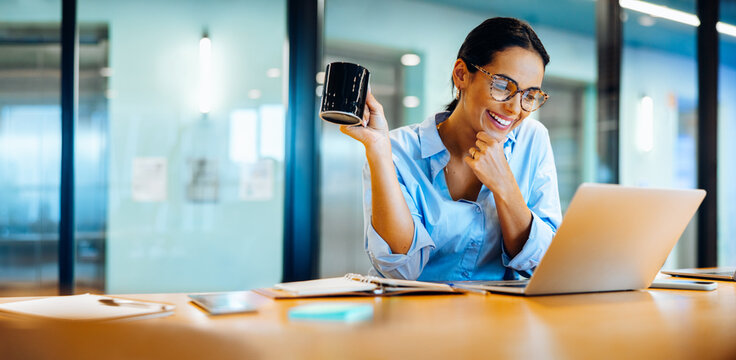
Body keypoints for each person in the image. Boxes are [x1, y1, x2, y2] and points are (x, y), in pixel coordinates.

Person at [340, 17, 562, 281]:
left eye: (529, 95)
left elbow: (544, 263)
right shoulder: (397, 150)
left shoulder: (532, 140)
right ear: (461, 75)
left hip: (503, 317)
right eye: (503, 86)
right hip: (414, 317)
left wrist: (504, 185)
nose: (515, 109)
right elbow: (399, 270)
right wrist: (378, 151)